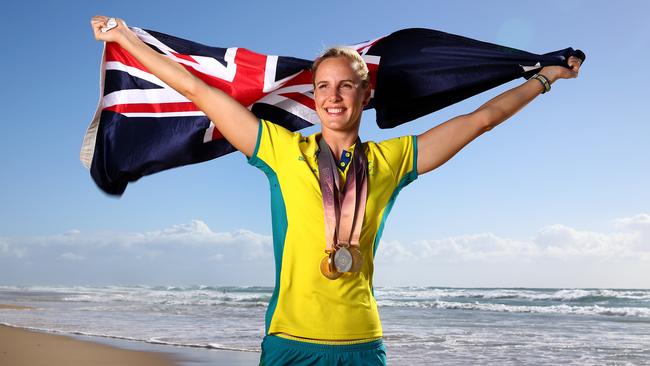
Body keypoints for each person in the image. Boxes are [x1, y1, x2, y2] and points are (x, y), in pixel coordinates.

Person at [91, 16, 582, 365]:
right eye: (323, 86)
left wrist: (545, 77)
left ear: (365, 95)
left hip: (362, 345)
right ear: (313, 94)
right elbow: (202, 92)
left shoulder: (392, 161)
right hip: (289, 344)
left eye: (345, 86)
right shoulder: (281, 151)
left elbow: (480, 120)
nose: (332, 96)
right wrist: (129, 40)